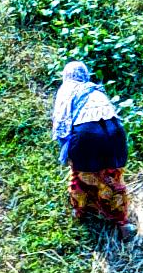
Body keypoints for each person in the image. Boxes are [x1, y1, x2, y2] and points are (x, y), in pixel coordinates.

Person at [53, 60, 130, 235]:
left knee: (81, 176)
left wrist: (67, 152)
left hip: (87, 135)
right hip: (115, 133)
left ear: (67, 77)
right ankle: (122, 223)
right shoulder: (94, 89)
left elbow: (61, 122)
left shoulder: (67, 89)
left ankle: (81, 212)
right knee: (111, 177)